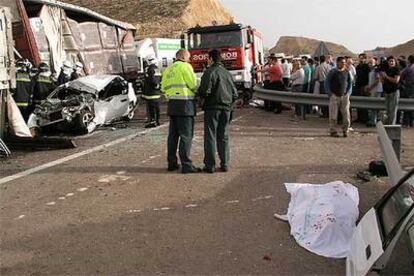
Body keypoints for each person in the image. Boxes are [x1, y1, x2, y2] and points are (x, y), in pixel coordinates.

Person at [161, 49, 201, 174]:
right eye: (188, 58)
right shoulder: (186, 67)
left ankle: (172, 163)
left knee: (173, 136)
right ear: (184, 57)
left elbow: (163, 87)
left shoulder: (168, 69)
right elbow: (193, 84)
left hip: (172, 105)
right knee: (186, 136)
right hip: (185, 105)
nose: (189, 60)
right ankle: (186, 164)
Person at [198, 49, 238, 173]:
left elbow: (204, 91)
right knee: (223, 136)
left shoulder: (209, 72)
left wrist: (200, 96)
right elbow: (235, 93)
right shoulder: (227, 73)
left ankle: (210, 165)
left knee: (210, 136)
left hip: (212, 108)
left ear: (210, 59)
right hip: (226, 108)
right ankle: (225, 163)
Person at [325, 57, 353, 137]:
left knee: (346, 115)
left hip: (344, 97)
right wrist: (330, 94)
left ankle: (345, 130)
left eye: (344, 62)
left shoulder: (347, 72)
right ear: (337, 63)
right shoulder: (332, 72)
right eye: (342, 62)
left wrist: (348, 93)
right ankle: (333, 131)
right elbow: (326, 83)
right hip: (334, 96)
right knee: (333, 115)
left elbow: (350, 83)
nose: (344, 64)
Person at [380, 56, 400, 125]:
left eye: (392, 61)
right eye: (390, 61)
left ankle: (392, 126)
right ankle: (388, 125)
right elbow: (382, 81)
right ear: (388, 62)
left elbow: (396, 80)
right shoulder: (386, 69)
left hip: (394, 92)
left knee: (393, 111)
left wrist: (386, 76)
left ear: (395, 62)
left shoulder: (397, 69)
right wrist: (381, 76)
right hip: (386, 92)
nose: (391, 62)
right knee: (388, 111)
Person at [143, 57, 162, 128]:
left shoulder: (149, 69)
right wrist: (158, 86)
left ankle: (152, 121)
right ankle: (157, 121)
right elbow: (160, 79)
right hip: (157, 93)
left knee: (151, 108)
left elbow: (152, 79)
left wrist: (155, 85)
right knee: (157, 108)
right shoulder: (157, 69)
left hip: (151, 93)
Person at [366, 58, 383, 127]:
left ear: (375, 63)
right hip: (373, 90)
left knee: (374, 106)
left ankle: (374, 121)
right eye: (369, 63)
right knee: (373, 106)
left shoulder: (376, 70)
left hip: (376, 90)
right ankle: (374, 120)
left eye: (371, 63)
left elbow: (377, 80)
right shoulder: (371, 70)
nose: (370, 64)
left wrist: (370, 88)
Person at [354, 53, 370, 123]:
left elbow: (369, 77)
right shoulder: (357, 67)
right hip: (358, 86)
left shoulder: (367, 67)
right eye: (360, 58)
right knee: (358, 103)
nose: (361, 59)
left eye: (362, 58)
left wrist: (367, 85)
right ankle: (359, 118)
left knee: (364, 103)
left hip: (364, 86)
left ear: (365, 59)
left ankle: (365, 118)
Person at [399, 55, 414, 127]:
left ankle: (407, 123)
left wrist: (403, 85)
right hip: (411, 89)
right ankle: (411, 122)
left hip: (408, 89)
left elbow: (401, 78)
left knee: (406, 106)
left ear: (409, 60)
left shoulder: (408, 69)